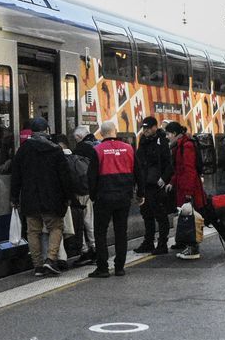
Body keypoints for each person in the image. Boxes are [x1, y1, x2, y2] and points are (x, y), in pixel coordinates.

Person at [9, 116, 74, 277]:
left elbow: (16, 176)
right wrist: (69, 196)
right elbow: (64, 177)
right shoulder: (55, 150)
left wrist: (14, 198)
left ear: (32, 132)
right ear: (47, 130)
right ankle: (51, 259)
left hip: (30, 199)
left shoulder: (23, 150)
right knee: (56, 227)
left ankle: (37, 265)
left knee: (33, 232)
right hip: (53, 198)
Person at [88, 119, 136, 278]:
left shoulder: (97, 150)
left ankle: (102, 268)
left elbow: (92, 176)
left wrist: (93, 196)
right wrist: (140, 194)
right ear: (115, 131)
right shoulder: (129, 148)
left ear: (101, 134)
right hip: (124, 197)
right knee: (121, 232)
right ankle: (119, 267)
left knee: (100, 233)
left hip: (104, 198)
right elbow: (138, 172)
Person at [165, 121, 206, 260]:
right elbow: (179, 168)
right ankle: (189, 246)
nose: (167, 136)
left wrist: (188, 193)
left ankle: (193, 249)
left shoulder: (186, 146)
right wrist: (172, 182)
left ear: (175, 134)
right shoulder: (181, 145)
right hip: (183, 186)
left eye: (168, 133)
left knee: (190, 218)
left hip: (189, 187)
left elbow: (189, 170)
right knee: (187, 216)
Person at [134, 116, 173, 254]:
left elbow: (169, 162)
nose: (145, 130)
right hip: (145, 184)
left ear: (155, 127)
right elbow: (138, 161)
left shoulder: (162, 140)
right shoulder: (143, 141)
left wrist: (164, 179)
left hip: (157, 185)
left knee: (160, 214)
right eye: (144, 128)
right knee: (146, 214)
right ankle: (148, 241)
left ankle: (162, 243)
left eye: (148, 128)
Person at [71, 125, 99, 263]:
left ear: (79, 137)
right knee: (91, 221)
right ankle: (96, 248)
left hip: (82, 191)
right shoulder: (98, 144)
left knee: (83, 222)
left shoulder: (80, 149)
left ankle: (88, 250)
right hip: (95, 191)